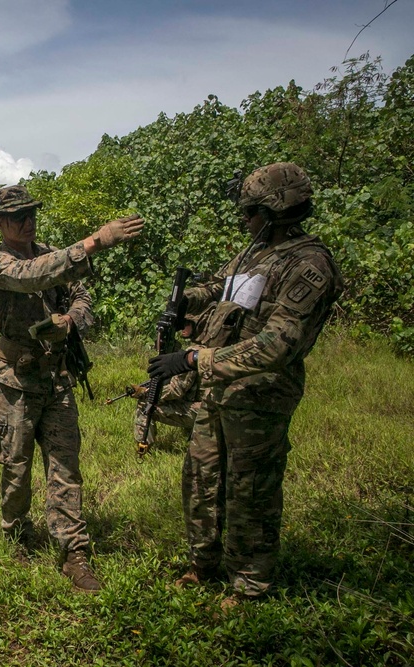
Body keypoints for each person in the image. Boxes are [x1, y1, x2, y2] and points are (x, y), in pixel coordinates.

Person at [147, 162, 343, 608]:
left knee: (249, 491)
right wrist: (183, 306)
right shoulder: (254, 251)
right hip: (216, 389)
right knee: (201, 477)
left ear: (275, 211)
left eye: (251, 211)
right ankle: (204, 563)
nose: (245, 220)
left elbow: (279, 344)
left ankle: (248, 584)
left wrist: (196, 358)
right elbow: (218, 286)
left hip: (260, 395)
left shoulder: (309, 264)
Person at [0, 184, 144, 593]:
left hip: (57, 379)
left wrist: (70, 322)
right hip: (15, 383)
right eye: (17, 216)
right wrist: (94, 242)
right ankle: (16, 534)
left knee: (66, 467)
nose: (27, 220)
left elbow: (83, 299)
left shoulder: (51, 252)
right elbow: (34, 275)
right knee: (16, 469)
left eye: (31, 212)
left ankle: (74, 552)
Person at [132, 311, 208, 447]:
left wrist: (145, 393)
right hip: (213, 405)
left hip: (203, 410)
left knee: (145, 405)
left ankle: (143, 447)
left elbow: (176, 390)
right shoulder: (210, 350)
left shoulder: (194, 352)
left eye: (188, 324)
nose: (183, 328)